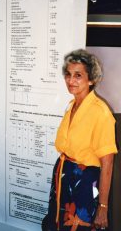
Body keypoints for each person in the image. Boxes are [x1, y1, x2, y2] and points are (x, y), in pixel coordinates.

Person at [42, 49, 117, 231]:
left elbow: (107, 163)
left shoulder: (101, 112)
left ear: (91, 79)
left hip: (84, 183)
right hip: (64, 177)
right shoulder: (71, 106)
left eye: (78, 75)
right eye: (68, 74)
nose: (70, 80)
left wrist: (103, 207)